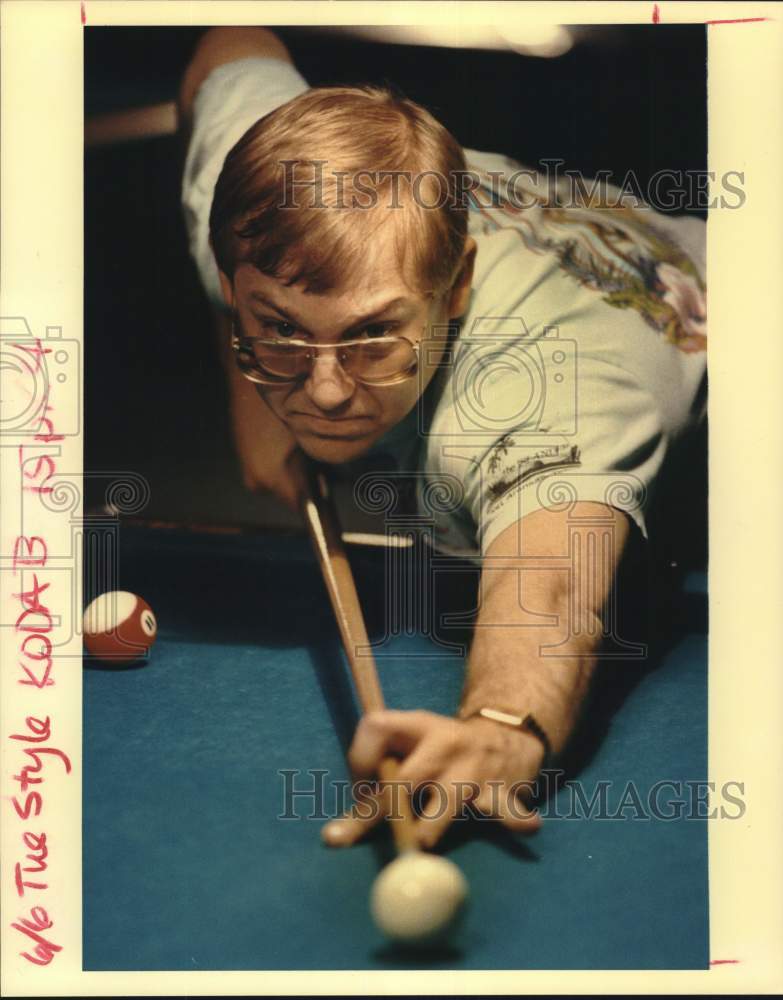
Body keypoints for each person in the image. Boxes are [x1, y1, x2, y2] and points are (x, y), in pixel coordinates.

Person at [177, 27, 707, 850]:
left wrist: (498, 729)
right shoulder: (249, 188)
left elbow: (554, 587)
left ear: (453, 287)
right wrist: (252, 398)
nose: (321, 390)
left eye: (371, 335)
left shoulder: (540, 389)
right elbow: (229, 45)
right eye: (280, 329)